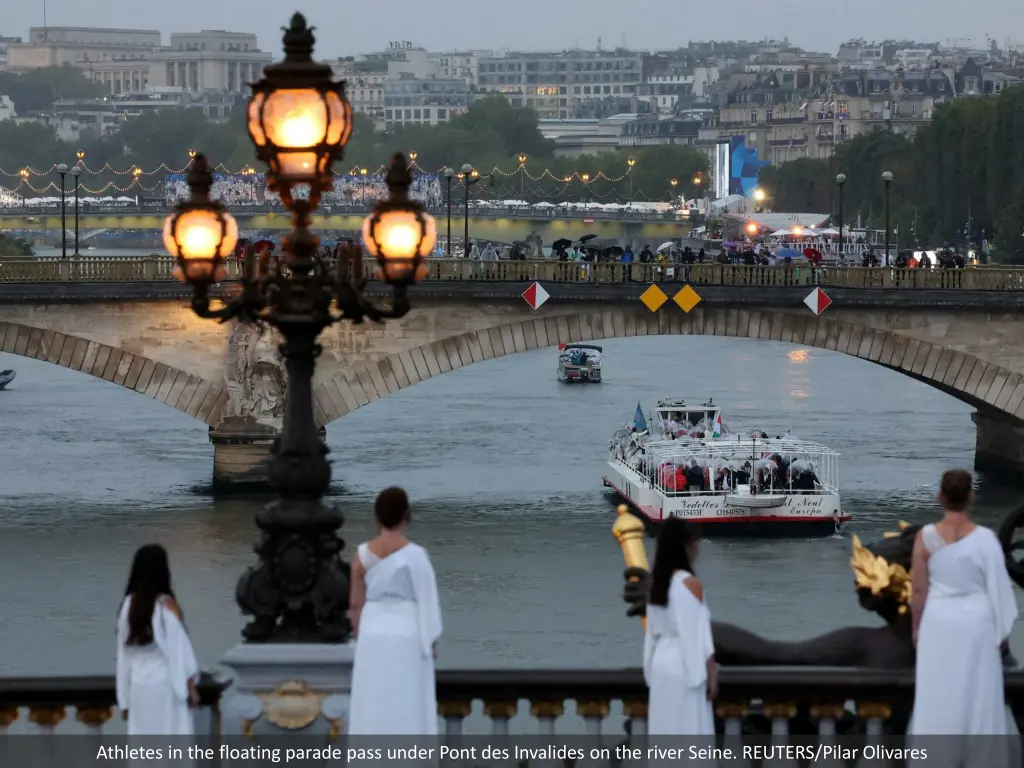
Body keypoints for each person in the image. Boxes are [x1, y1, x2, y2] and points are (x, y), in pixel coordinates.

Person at [909, 470, 1018, 750]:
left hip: (939, 621)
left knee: (940, 689)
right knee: (977, 690)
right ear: (971, 497)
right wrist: (1001, 633)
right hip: (977, 623)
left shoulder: (925, 538)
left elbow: (918, 592)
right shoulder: (986, 539)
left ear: (940, 497)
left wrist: (917, 628)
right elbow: (999, 590)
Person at [348, 487, 443, 735]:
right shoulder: (417, 556)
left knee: (373, 701)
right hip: (407, 632)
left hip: (372, 632)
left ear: (377, 517)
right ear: (406, 515)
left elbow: (355, 604)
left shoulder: (361, 555)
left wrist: (361, 635)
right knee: (406, 699)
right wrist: (431, 641)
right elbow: (427, 600)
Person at [116, 544, 200, 735]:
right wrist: (191, 687)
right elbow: (178, 651)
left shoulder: (128, 606)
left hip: (138, 685)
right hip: (164, 684)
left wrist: (124, 698)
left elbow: (123, 654)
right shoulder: (166, 607)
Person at [644, 517, 717, 735]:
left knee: (664, 728)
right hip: (683, 664)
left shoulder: (656, 585)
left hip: (661, 664)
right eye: (696, 541)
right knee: (689, 728)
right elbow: (696, 635)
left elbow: (651, 634)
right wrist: (709, 674)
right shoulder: (690, 585)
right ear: (686, 546)